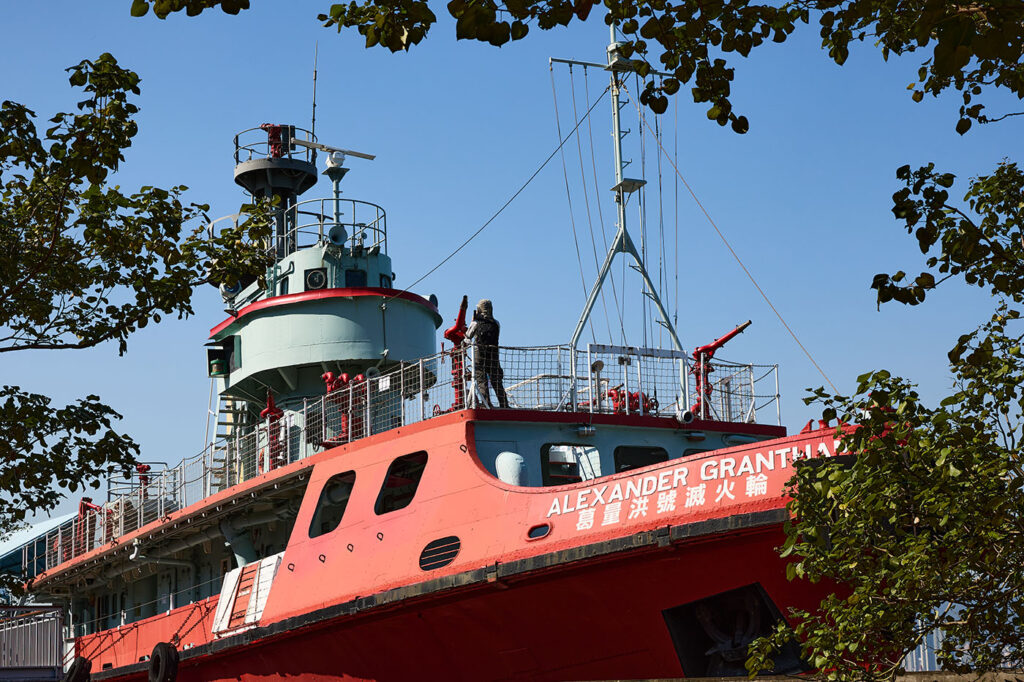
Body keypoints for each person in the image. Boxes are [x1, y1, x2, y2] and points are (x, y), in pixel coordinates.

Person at [466, 298, 508, 408]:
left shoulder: (476, 323)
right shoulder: (496, 324)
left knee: (481, 379)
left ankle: (487, 403)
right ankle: (504, 404)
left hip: (479, 354)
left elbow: (467, 339)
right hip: (494, 355)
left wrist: (472, 322)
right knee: (496, 380)